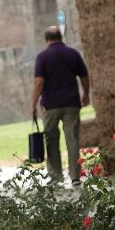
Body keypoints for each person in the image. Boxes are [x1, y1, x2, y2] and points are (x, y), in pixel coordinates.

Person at [30, 26, 90, 187]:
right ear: (61, 37)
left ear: (46, 39)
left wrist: (33, 104)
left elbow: (39, 82)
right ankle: (75, 176)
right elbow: (84, 76)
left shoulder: (42, 57)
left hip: (50, 105)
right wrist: (86, 94)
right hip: (71, 103)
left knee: (51, 140)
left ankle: (56, 177)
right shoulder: (72, 54)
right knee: (72, 139)